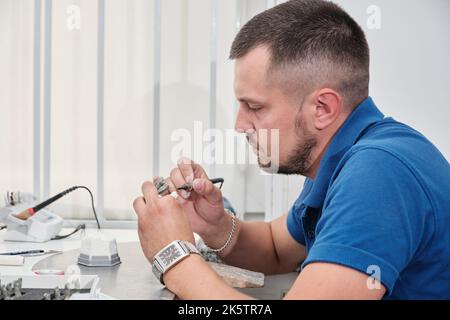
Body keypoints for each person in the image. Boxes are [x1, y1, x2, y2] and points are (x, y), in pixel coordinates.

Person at [133, 0, 450, 299]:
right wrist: (215, 225)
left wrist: (173, 256)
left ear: (322, 108)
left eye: (254, 106)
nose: (240, 125)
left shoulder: (379, 173)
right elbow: (275, 248)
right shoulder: (341, 158)